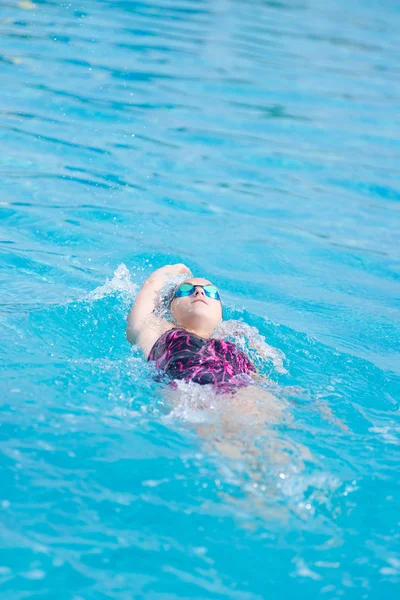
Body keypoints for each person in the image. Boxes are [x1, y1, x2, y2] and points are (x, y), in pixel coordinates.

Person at [126, 263, 256, 389]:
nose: (199, 291)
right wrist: (172, 269)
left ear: (221, 317)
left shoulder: (233, 350)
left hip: (243, 399)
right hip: (185, 396)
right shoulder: (157, 330)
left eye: (210, 291)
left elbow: (260, 385)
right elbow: (150, 288)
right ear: (170, 309)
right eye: (185, 290)